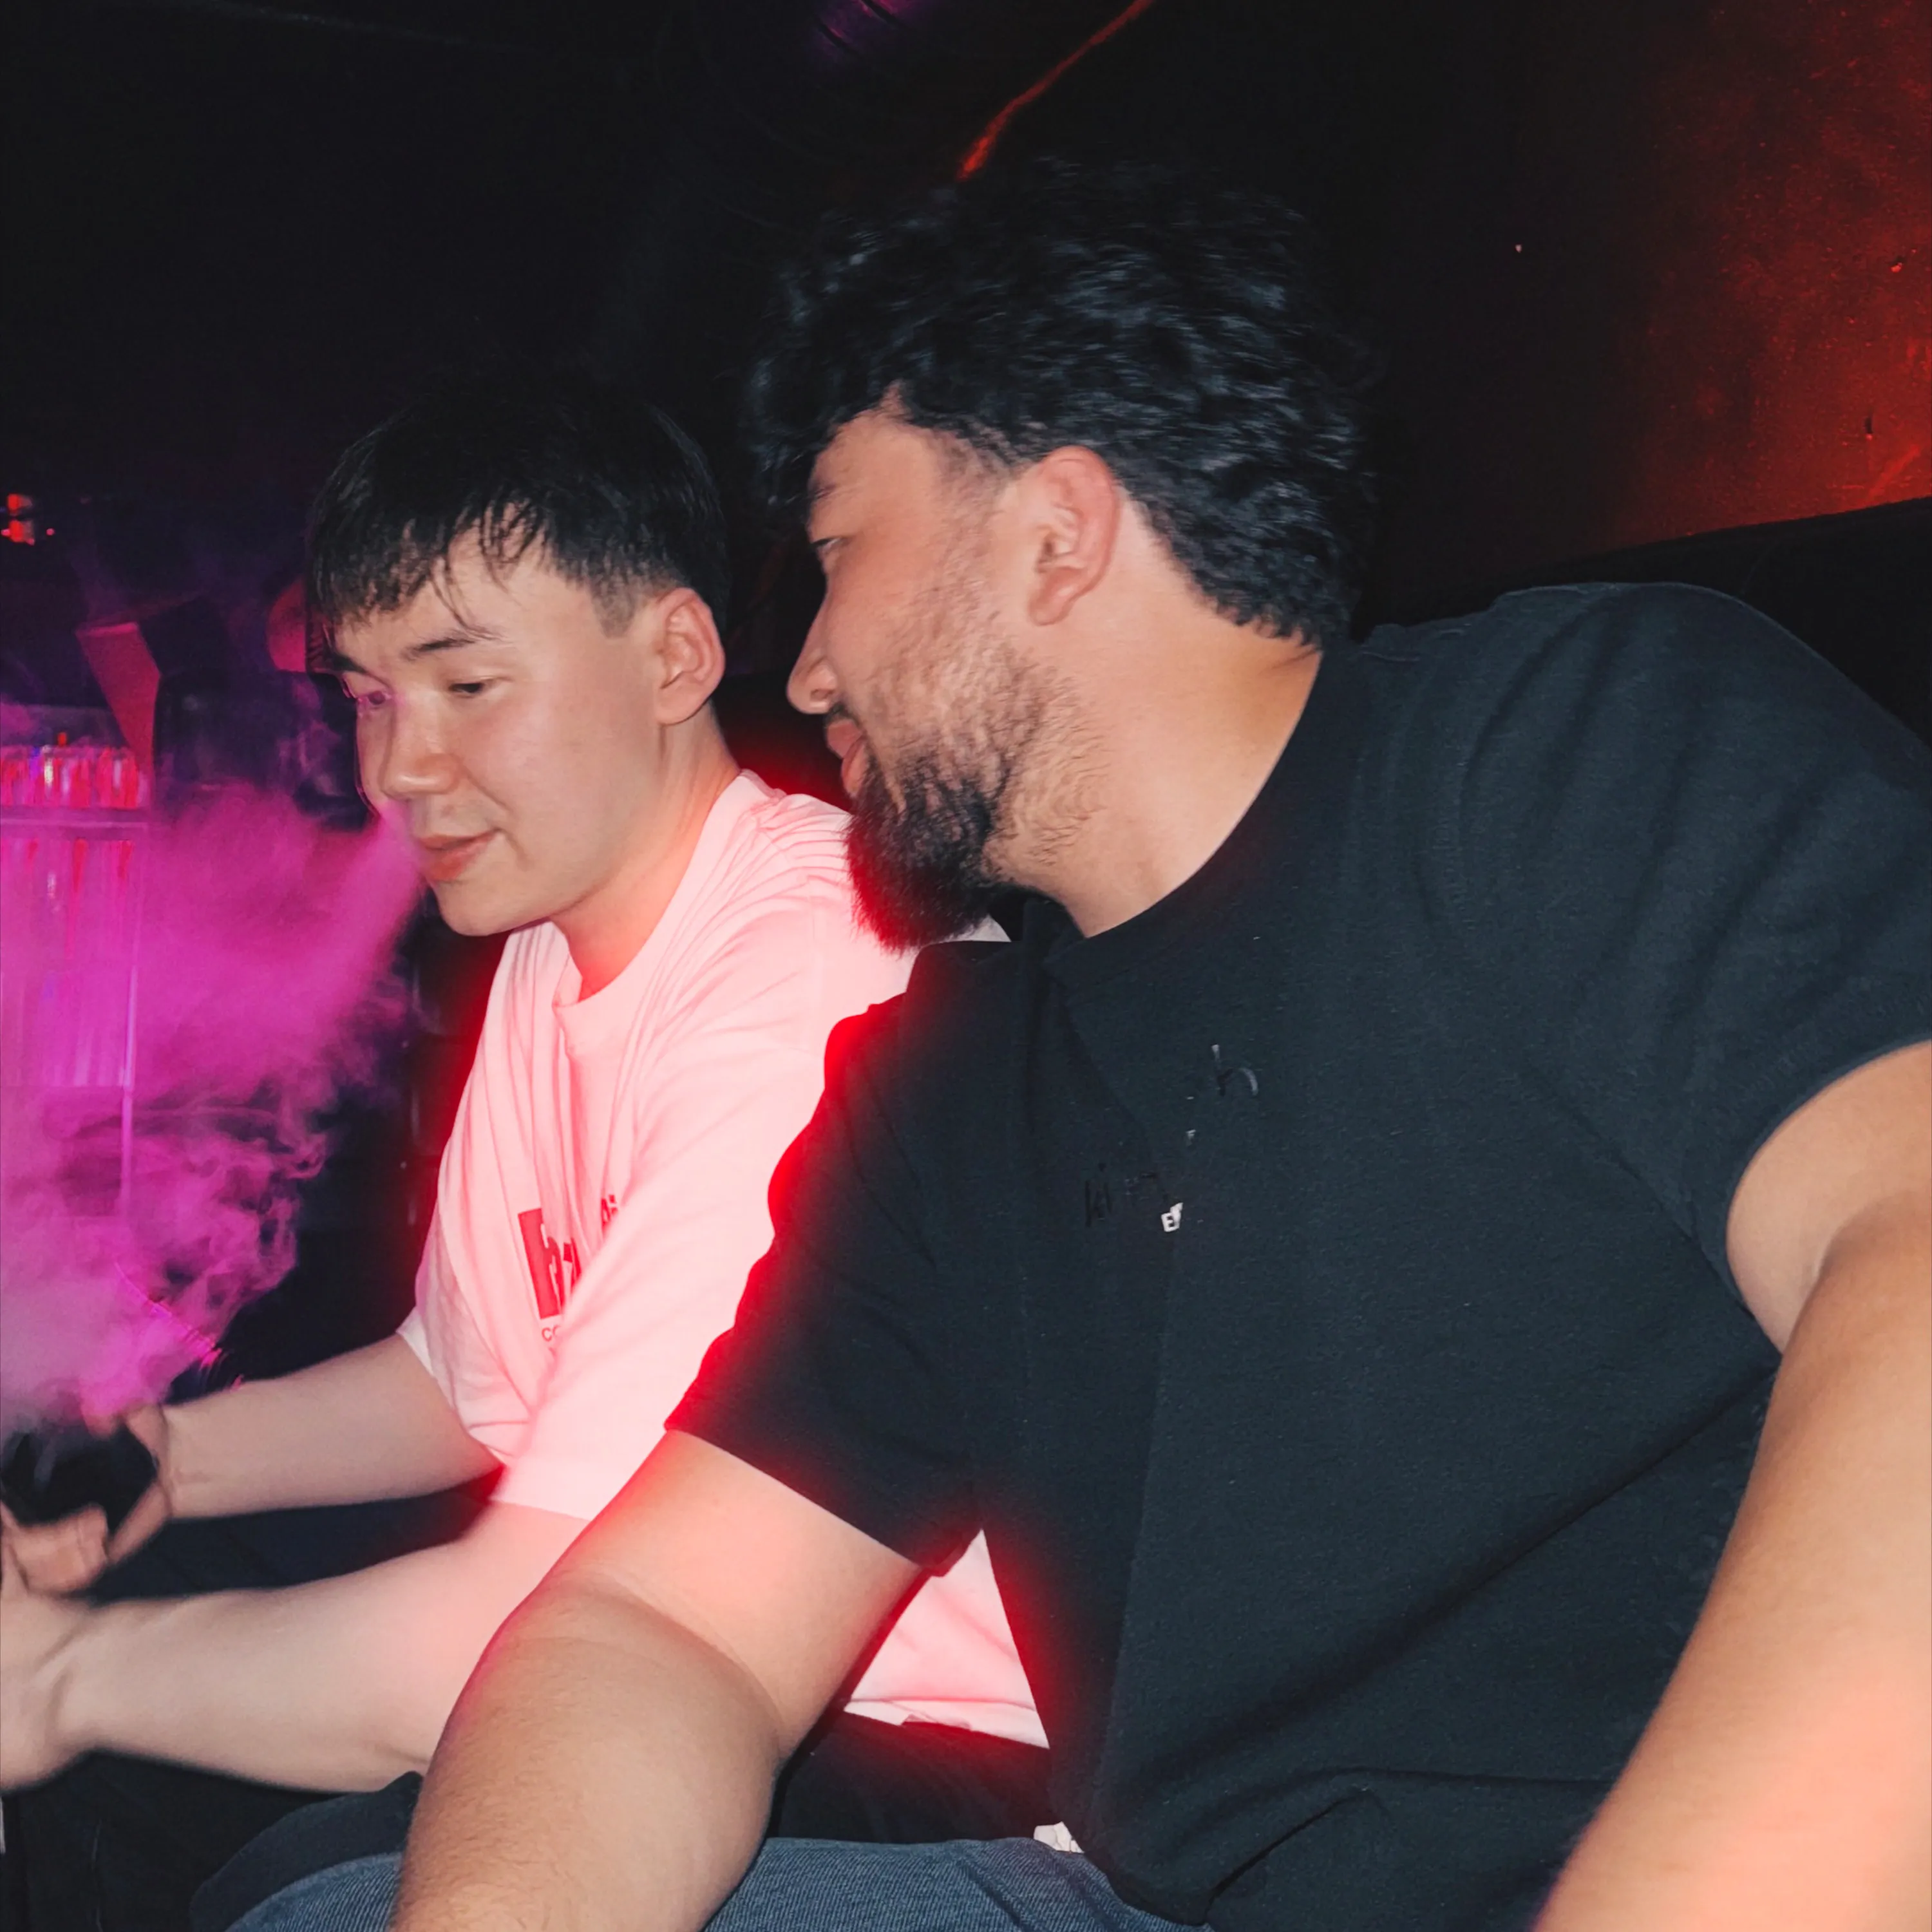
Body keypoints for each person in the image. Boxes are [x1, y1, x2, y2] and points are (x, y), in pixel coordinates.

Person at [243, 162, 1927, 1932]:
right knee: (329, 1908)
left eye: (838, 554)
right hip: (1150, 1903)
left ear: (1054, 534)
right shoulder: (947, 1093)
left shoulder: (1565, 745)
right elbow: (659, 1627)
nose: (805, 674)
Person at [0, 372, 1045, 1932]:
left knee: (297, 1870)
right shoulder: (559, 941)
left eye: (467, 684)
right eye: (370, 696)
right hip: (673, 1662)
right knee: (137, 1641)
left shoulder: (809, 971)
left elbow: (536, 1620)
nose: (395, 769)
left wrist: (62, 1682)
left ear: (677, 655)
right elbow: (465, 1379)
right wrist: (171, 1461)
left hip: (919, 1734)